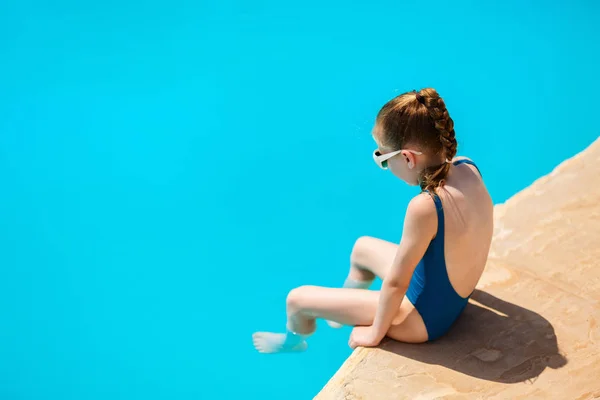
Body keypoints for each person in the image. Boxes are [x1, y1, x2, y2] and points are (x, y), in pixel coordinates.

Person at [252, 88, 494, 354]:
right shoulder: (467, 167)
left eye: (382, 158)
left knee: (296, 300)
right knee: (362, 247)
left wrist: (375, 333)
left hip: (422, 321)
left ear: (407, 158)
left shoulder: (425, 207)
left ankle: (294, 341)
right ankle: (340, 311)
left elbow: (396, 283)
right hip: (450, 298)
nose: (382, 164)